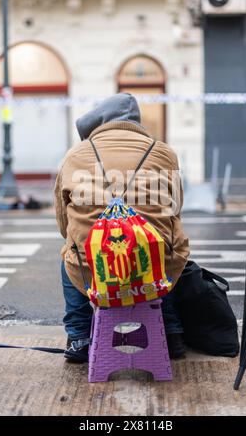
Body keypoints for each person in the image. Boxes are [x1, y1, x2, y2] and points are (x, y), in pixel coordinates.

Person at [54, 93, 190, 363]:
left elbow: (62, 218)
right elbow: (175, 209)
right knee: (170, 247)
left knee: (70, 253)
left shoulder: (76, 154)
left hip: (95, 269)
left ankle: (80, 335)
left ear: (99, 123)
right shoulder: (163, 152)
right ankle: (171, 331)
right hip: (152, 268)